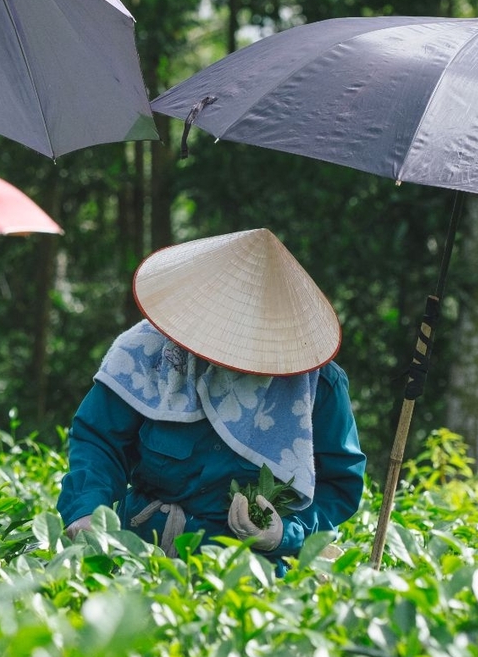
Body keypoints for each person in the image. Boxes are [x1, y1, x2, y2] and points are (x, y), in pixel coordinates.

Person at [56, 229, 365, 564]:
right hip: (141, 549)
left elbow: (339, 485)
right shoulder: (148, 353)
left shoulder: (316, 386)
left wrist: (283, 534)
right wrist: (86, 511)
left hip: (246, 570)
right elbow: (100, 439)